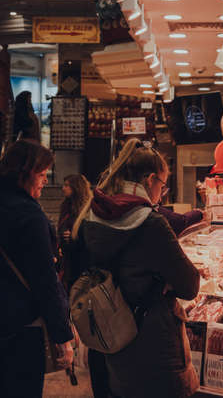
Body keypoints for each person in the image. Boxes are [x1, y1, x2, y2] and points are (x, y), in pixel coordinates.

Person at [72, 138, 200, 398]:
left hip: (110, 335)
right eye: (163, 187)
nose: (161, 195)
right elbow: (189, 286)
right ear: (150, 179)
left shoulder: (90, 217)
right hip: (154, 342)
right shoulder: (152, 223)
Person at [0, 139, 73, 398]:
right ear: (26, 173)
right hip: (20, 330)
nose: (45, 180)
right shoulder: (29, 216)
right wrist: (62, 336)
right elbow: (45, 281)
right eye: (41, 175)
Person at [57, 174, 92, 293]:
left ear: (76, 187)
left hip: (80, 259)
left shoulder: (86, 208)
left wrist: (73, 236)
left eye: (67, 185)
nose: (63, 188)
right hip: (68, 257)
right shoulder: (66, 206)